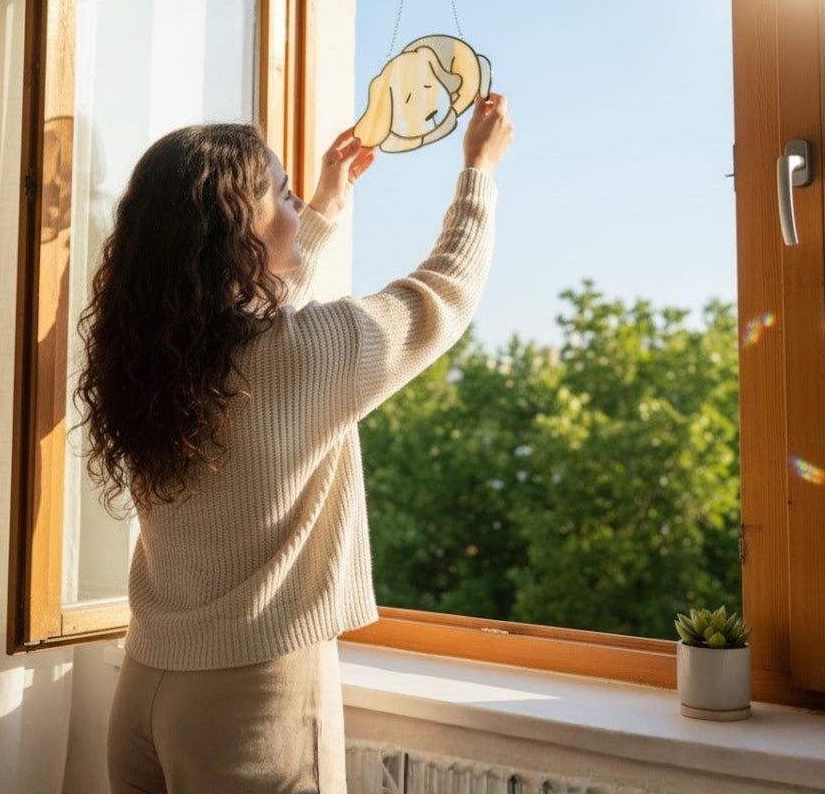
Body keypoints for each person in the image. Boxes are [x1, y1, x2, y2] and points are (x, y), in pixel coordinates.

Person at [78, 93, 513, 793]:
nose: (293, 200)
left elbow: (258, 319)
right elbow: (445, 293)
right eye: (280, 193)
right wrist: (478, 172)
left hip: (144, 691)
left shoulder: (156, 358)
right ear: (236, 234)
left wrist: (322, 209)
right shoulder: (303, 354)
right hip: (252, 702)